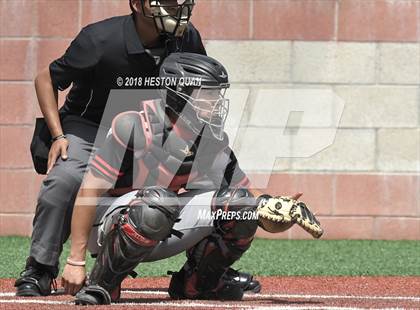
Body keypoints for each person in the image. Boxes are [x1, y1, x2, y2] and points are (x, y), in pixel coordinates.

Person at [60, 53, 321, 305]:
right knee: (158, 202)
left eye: (218, 93)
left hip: (161, 215)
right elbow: (88, 192)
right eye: (208, 93)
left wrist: (276, 211)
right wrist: (75, 260)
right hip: (107, 224)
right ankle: (102, 284)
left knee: (242, 206)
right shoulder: (133, 125)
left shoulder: (211, 137)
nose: (217, 101)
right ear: (177, 93)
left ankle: (196, 284)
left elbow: (248, 200)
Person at [15, 0, 207, 297]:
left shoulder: (188, 37)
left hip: (150, 128)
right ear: (137, 4)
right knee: (64, 179)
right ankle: (40, 267)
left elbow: (197, 87)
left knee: (207, 173)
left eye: (179, 1)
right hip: (91, 126)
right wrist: (57, 136)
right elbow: (46, 78)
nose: (176, 8)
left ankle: (208, 269)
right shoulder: (100, 39)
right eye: (166, 1)